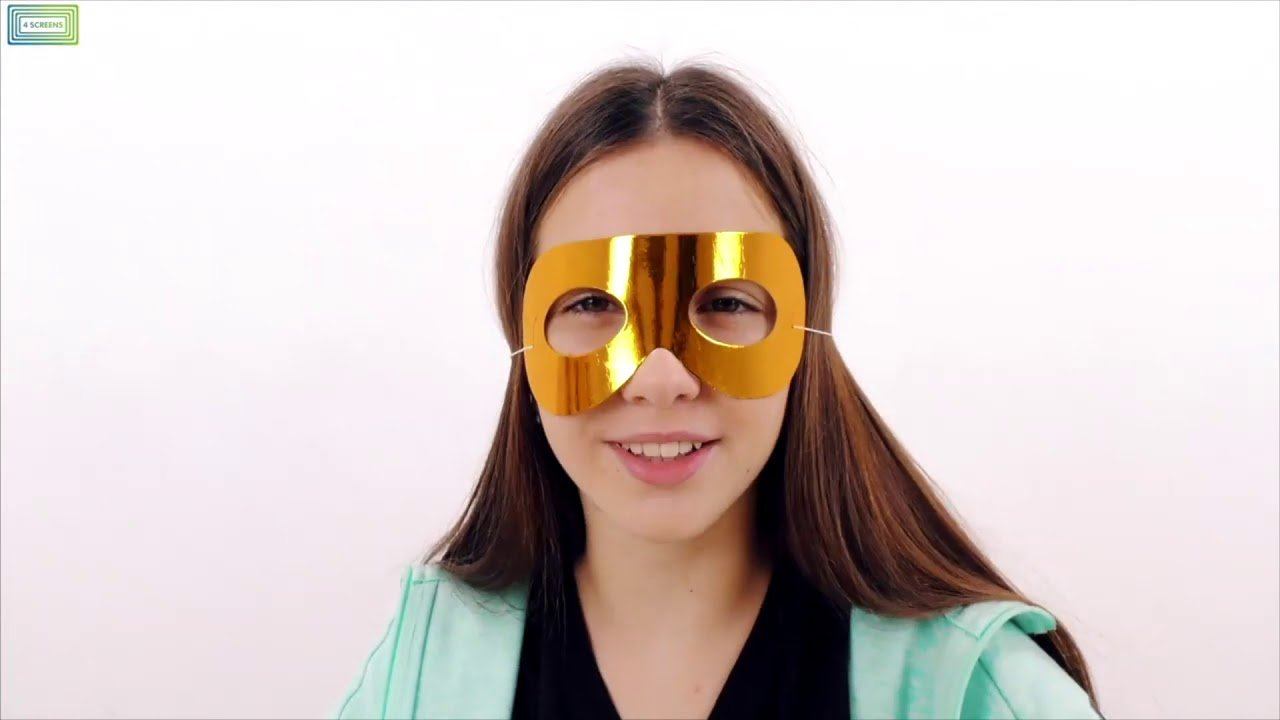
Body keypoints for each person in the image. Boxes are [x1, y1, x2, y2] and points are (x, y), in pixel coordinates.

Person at [334, 58, 1105, 720]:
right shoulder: (418, 680)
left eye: (727, 303)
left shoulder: (974, 690)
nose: (661, 380)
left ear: (804, 332)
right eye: (593, 303)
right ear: (524, 338)